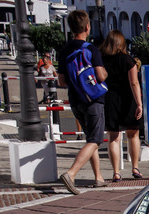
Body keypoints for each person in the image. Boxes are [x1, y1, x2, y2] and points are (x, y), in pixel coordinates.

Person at [57, 9, 108, 194]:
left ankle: (98, 177)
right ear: (87, 27)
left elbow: (61, 81)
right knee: (95, 140)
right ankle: (71, 173)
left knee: (90, 139)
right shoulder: (90, 49)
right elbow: (101, 76)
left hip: (76, 99)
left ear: (71, 28)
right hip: (94, 99)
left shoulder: (64, 51)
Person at [100, 29, 144, 182]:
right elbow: (134, 82)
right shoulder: (128, 61)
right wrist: (139, 103)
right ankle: (135, 167)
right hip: (128, 99)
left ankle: (116, 172)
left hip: (110, 99)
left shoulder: (102, 59)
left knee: (113, 137)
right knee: (133, 134)